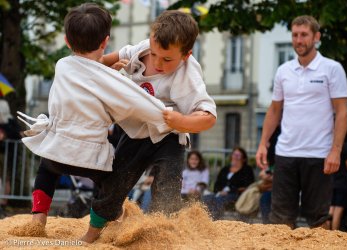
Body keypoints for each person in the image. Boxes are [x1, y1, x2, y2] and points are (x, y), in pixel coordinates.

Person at [12, 3, 177, 243]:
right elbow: (136, 101)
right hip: (92, 157)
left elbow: (84, 75)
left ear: (67, 42)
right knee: (110, 187)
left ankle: (38, 218)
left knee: (45, 170)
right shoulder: (109, 78)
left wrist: (108, 69)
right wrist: (172, 118)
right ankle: (97, 229)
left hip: (57, 149)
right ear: (105, 42)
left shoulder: (62, 66)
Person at [94, 8, 216, 229]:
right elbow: (101, 61)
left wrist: (182, 121)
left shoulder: (189, 74)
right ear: (150, 40)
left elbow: (208, 117)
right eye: (154, 53)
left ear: (186, 55)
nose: (158, 63)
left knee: (166, 189)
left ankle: (162, 233)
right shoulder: (142, 49)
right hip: (136, 131)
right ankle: (96, 229)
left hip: (170, 136)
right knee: (114, 184)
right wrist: (107, 69)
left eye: (167, 59)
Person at [255, 15, 347, 229]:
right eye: (295, 35)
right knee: (279, 220)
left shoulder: (332, 68)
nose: (299, 40)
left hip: (318, 154)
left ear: (316, 37)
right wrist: (263, 143)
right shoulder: (283, 70)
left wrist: (336, 150)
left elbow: (342, 112)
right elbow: (274, 109)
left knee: (318, 220)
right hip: (286, 153)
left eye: (304, 35)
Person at [202, 147, 255, 220]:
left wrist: (229, 191)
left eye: (238, 155)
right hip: (220, 193)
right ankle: (204, 220)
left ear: (244, 159)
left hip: (237, 194)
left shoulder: (247, 170)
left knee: (219, 199)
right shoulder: (225, 169)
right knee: (206, 198)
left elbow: (248, 186)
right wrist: (219, 191)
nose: (235, 157)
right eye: (234, 155)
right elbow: (217, 184)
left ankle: (216, 221)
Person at [327, 142, 347, 230]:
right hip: (343, 183)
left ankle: (326, 236)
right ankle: (334, 236)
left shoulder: (328, 145)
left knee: (330, 211)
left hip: (331, 181)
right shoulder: (345, 146)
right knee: (337, 212)